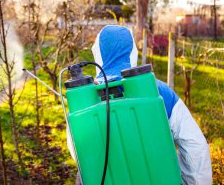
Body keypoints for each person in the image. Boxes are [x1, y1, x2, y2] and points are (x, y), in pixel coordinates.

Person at [67, 25, 212, 185]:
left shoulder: (83, 101)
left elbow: (78, 152)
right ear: (133, 52)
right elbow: (194, 146)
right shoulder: (160, 92)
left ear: (97, 54)